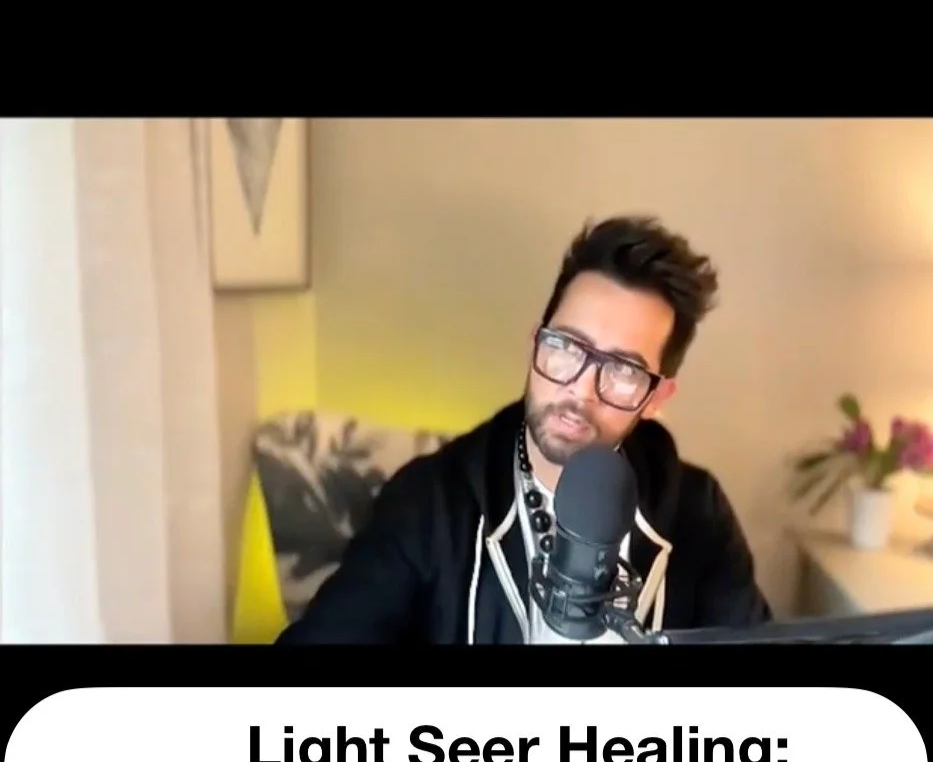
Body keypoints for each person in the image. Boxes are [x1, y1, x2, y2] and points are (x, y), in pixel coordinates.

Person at [276, 215, 772, 645]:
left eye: (622, 369)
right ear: (536, 343)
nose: (581, 389)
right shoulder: (431, 502)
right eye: (567, 347)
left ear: (657, 398)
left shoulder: (697, 511)